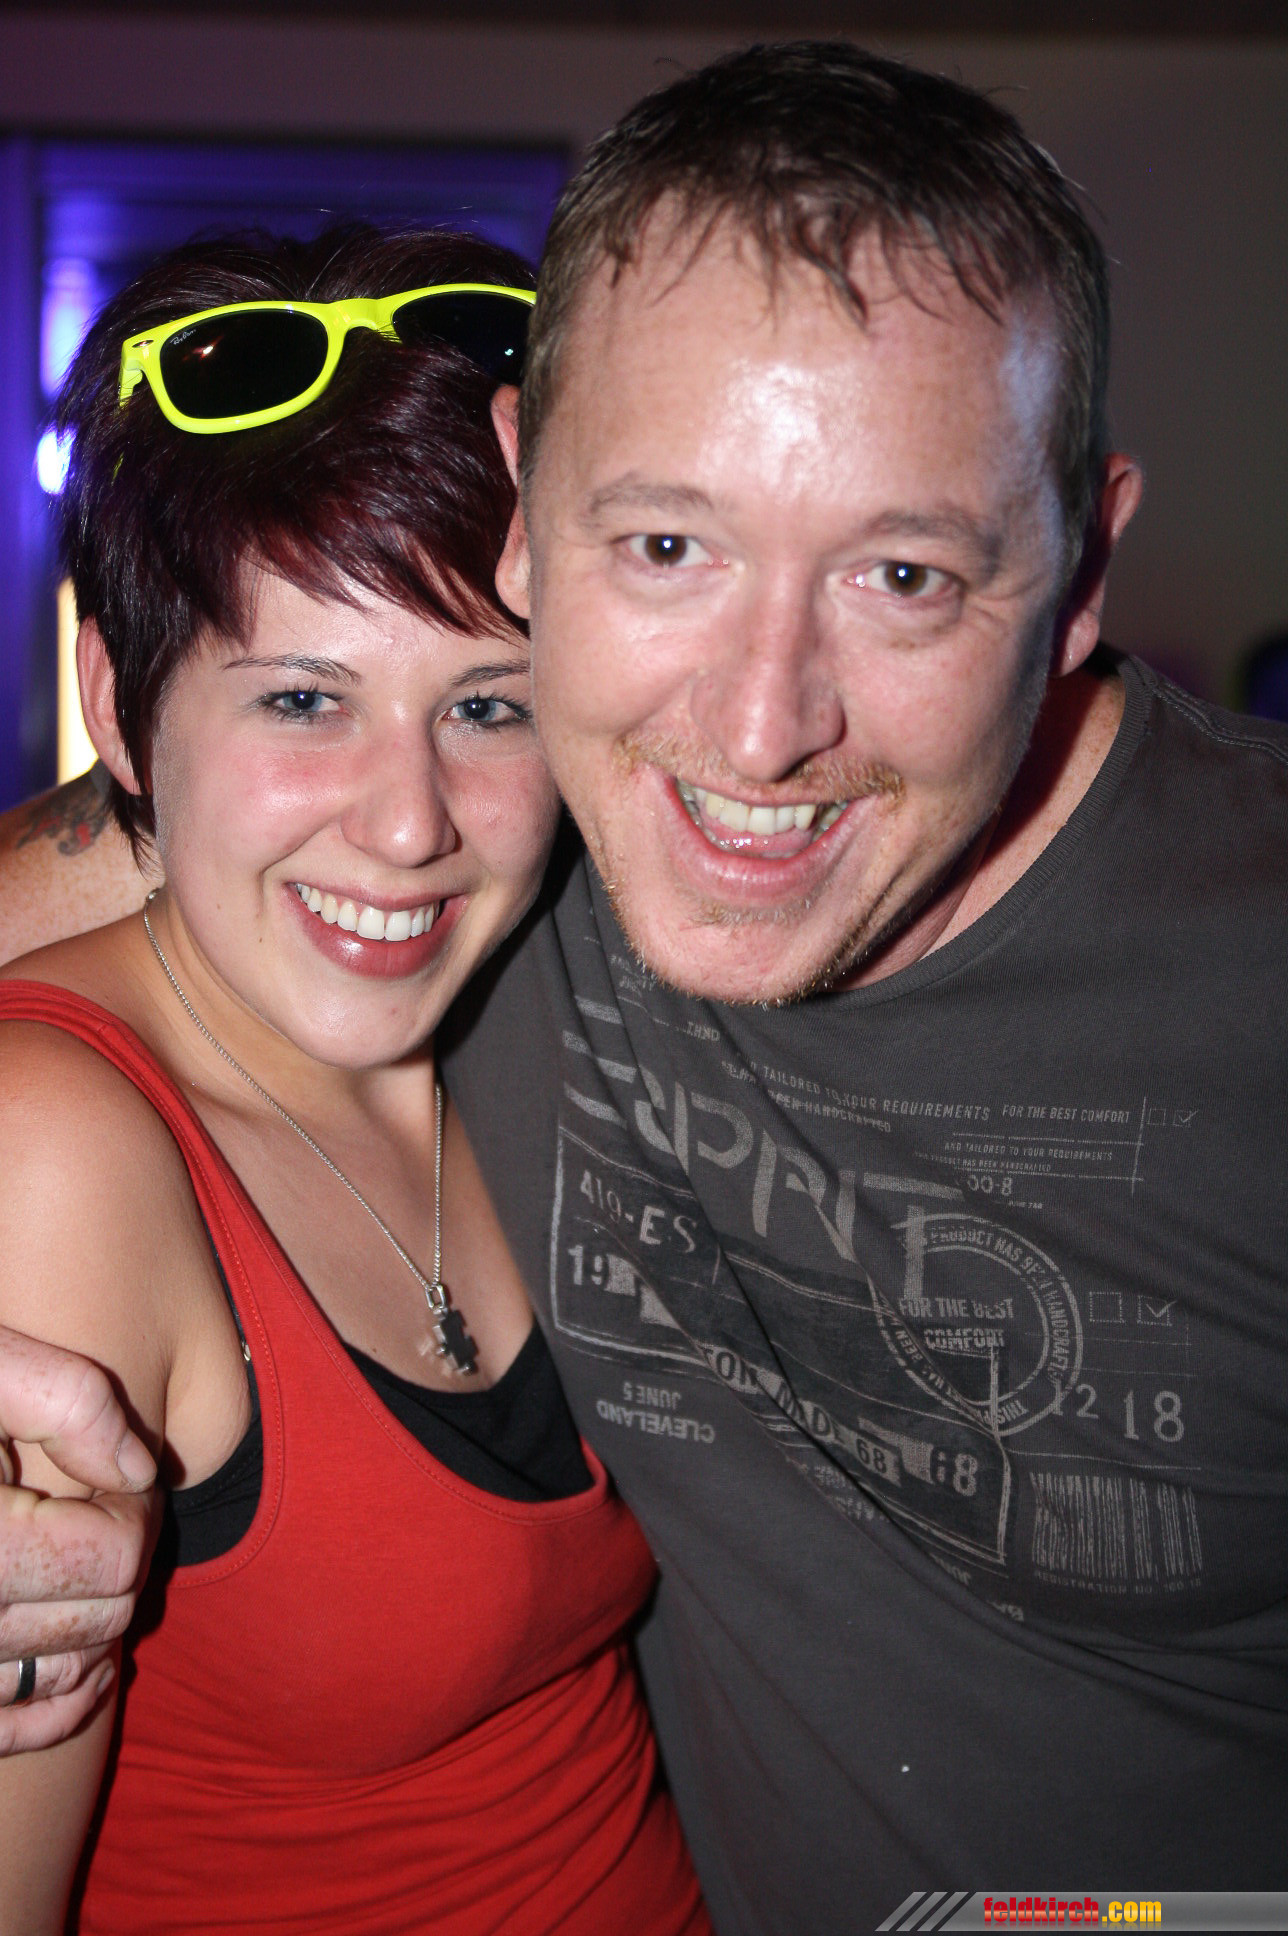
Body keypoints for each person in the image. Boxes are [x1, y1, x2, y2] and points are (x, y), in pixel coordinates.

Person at [2, 40, 1287, 1933]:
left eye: (906, 576)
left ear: (1082, 566)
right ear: (541, 526)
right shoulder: (507, 865)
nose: (760, 734)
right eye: (669, 546)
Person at [0, 223, 708, 1935]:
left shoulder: (552, 1013)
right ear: (121, 706)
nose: (409, 826)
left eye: (490, 707)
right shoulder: (58, 1151)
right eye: (306, 698)